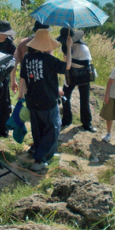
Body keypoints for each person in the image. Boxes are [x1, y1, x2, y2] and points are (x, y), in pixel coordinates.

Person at [17, 29, 72, 171]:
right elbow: (67, 66)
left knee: (38, 130)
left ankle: (44, 155)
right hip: (47, 101)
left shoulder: (28, 57)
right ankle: (39, 159)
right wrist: (70, 48)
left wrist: (20, 95)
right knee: (53, 129)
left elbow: (23, 76)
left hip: (32, 100)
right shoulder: (48, 59)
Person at [58, 28, 96, 132]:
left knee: (84, 99)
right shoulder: (65, 46)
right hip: (71, 72)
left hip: (83, 74)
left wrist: (69, 59)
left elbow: (85, 63)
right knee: (65, 96)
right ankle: (66, 120)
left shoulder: (82, 48)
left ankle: (86, 123)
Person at [11, 20, 49, 93]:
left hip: (26, 81)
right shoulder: (47, 44)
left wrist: (13, 80)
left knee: (27, 102)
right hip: (44, 82)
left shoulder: (23, 43)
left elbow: (14, 62)